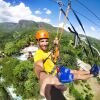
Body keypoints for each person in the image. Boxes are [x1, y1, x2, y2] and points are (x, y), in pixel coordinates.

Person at [33, 29, 99, 98]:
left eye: (46, 41)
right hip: (56, 75)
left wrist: (57, 45)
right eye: (42, 41)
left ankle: (90, 71)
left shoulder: (46, 51)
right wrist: (43, 76)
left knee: (75, 71)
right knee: (77, 76)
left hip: (58, 69)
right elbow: (38, 66)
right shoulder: (38, 54)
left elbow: (56, 56)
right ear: (37, 42)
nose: (45, 43)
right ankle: (93, 74)